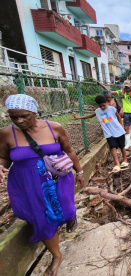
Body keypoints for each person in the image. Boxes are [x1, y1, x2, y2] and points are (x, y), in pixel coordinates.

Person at [0, 94, 84, 276]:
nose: (19, 121)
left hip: (58, 179)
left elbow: (69, 150)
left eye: (24, 116)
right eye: (14, 117)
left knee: (67, 209)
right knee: (43, 219)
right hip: (28, 185)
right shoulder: (7, 133)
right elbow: (4, 157)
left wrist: (80, 171)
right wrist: (0, 166)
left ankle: (71, 218)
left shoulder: (54, 127)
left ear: (35, 111)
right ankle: (56, 255)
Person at [73, 95, 128, 173]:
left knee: (122, 146)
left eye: (103, 105)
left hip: (118, 131)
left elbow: (118, 117)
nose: (102, 107)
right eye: (100, 106)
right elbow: (90, 116)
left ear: (106, 102)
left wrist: (121, 126)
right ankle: (117, 163)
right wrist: (77, 117)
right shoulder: (97, 111)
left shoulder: (112, 109)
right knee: (112, 147)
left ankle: (125, 160)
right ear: (97, 105)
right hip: (108, 133)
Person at [112, 80, 131, 148]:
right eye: (125, 87)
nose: (127, 89)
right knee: (126, 128)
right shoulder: (122, 93)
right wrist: (102, 86)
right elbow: (111, 92)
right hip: (126, 113)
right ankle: (128, 143)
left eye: (128, 87)